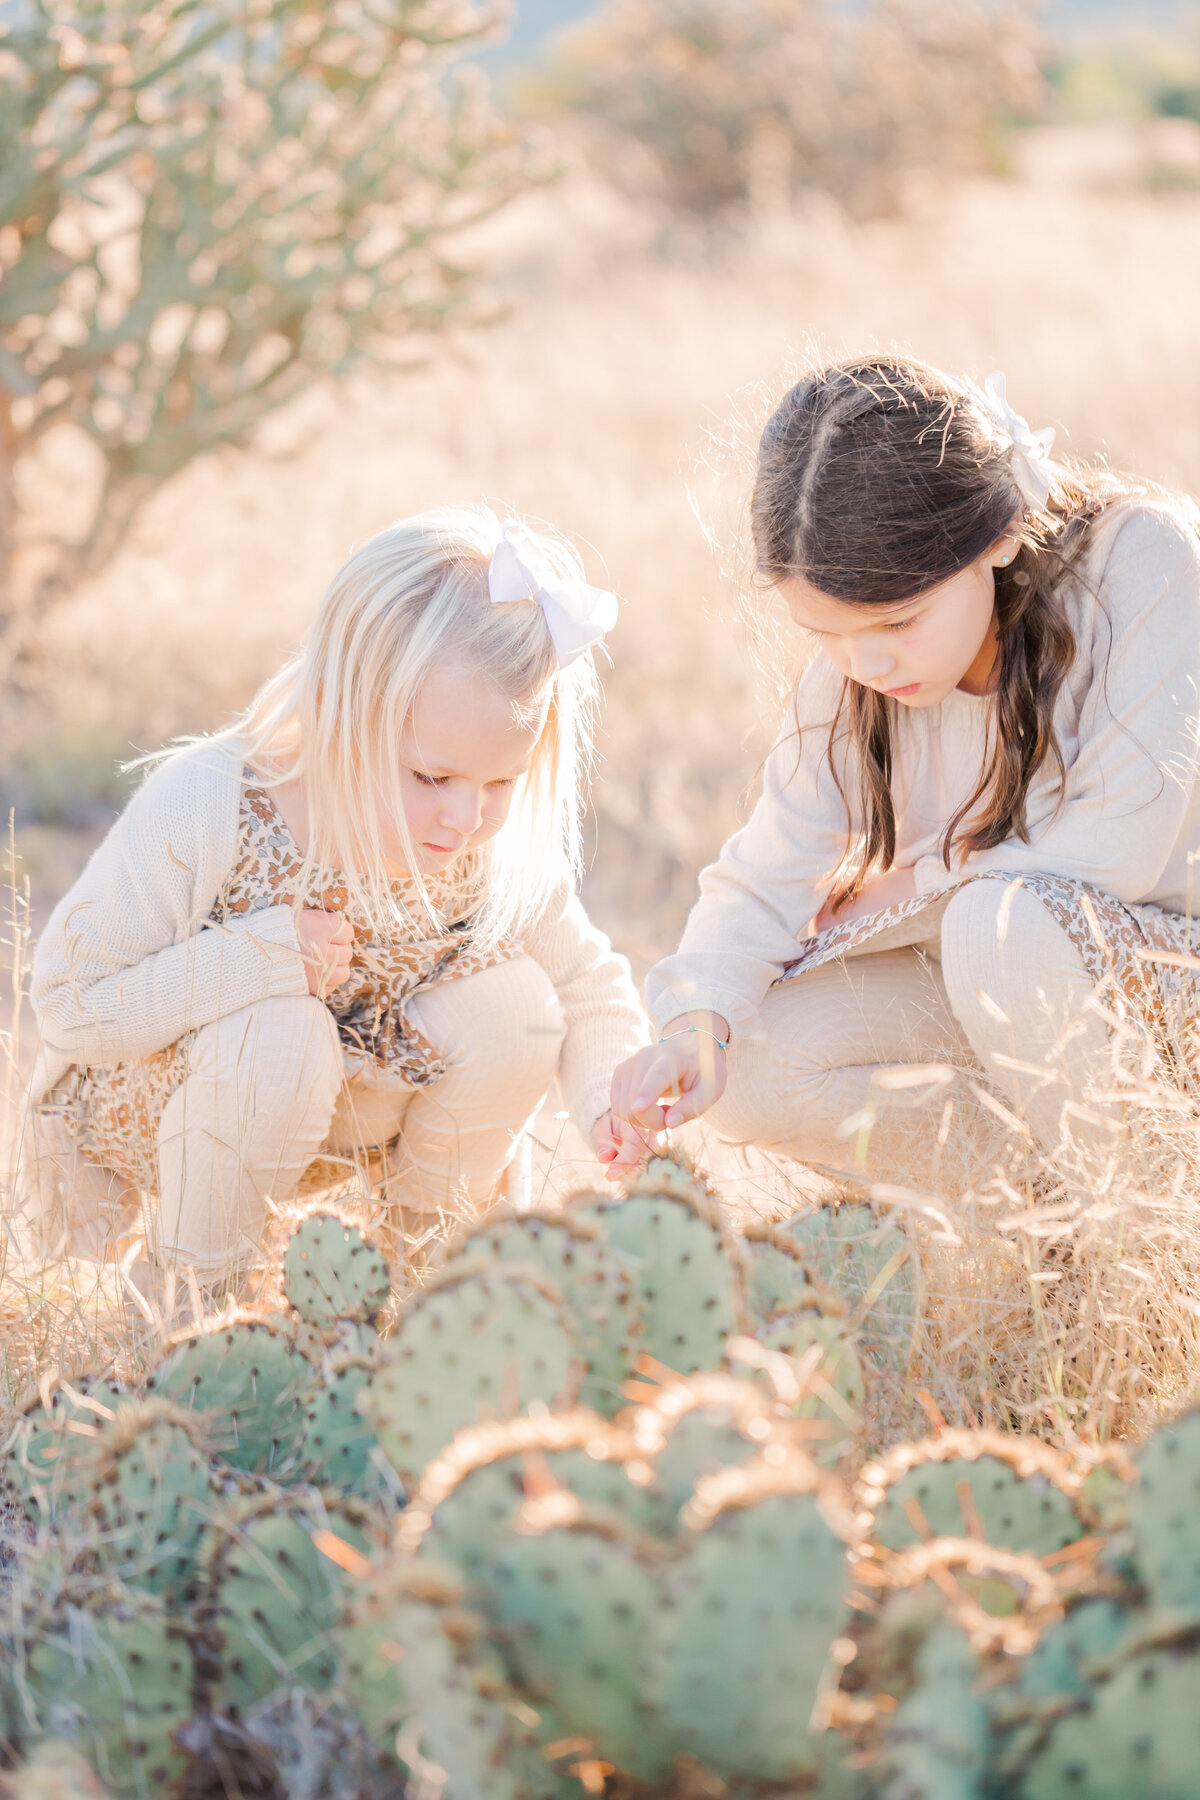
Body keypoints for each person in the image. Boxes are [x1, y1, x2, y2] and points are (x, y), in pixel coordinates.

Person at [611, 355, 1200, 1200]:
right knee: (748, 1064)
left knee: (995, 928)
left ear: (998, 536)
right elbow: (765, 872)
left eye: (898, 619)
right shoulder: (855, 680)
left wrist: (914, 887)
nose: (868, 662)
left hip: (1171, 982)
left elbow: (1114, 850)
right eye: (828, 634)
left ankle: (1151, 1229)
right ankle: (1059, 1226)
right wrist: (693, 1024)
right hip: (1034, 999)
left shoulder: (1141, 561)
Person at [26, 506, 648, 1293]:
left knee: (518, 1005)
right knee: (279, 1033)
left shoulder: (483, 845)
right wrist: (263, 957)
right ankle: (191, 1296)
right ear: (340, 714)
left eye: (501, 782)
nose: (464, 817)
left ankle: (425, 1272)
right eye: (431, 777)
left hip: (333, 1116)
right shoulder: (217, 805)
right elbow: (70, 1004)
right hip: (155, 1110)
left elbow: (589, 988)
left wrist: (609, 1106)